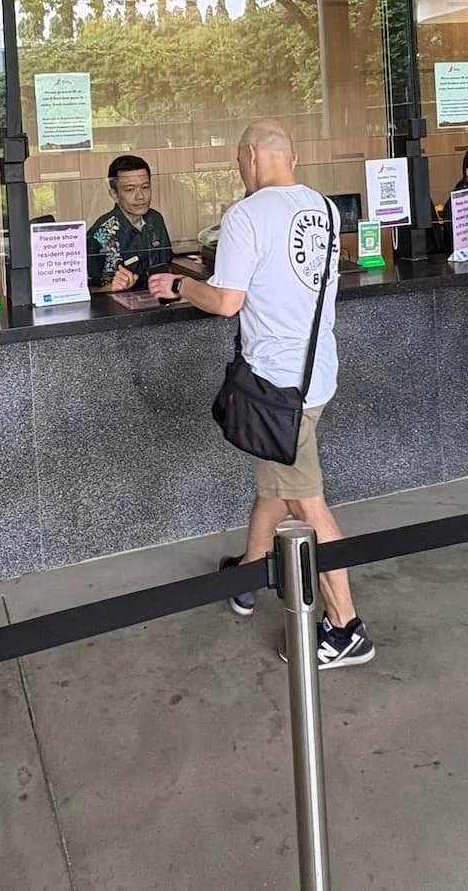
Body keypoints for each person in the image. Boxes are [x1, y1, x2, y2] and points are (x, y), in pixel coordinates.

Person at [149, 120, 374, 669]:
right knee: (276, 481)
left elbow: (227, 300)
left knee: (306, 501)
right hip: (316, 373)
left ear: (251, 156)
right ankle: (250, 576)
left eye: (237, 162)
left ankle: (347, 626)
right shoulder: (324, 208)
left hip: (275, 386)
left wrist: (178, 285)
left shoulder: (245, 216)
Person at [87, 154, 172, 292]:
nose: (140, 196)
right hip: (116, 308)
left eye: (145, 187)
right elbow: (84, 290)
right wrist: (110, 288)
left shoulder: (155, 220)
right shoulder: (102, 233)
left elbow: (166, 264)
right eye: (130, 190)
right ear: (114, 194)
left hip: (157, 300)